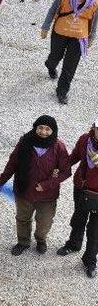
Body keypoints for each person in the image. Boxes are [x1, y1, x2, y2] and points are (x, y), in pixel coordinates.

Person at [0, 115, 71, 256]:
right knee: (22, 219)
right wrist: (2, 180)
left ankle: (41, 240)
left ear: (53, 131)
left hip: (47, 196)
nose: (43, 132)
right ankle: (23, 242)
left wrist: (48, 184)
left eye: (47, 129)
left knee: (44, 223)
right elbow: (12, 163)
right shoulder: (25, 142)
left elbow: (66, 171)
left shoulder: (59, 147)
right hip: (24, 191)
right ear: (35, 127)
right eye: (40, 128)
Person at [41, 0, 98, 105]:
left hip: (79, 37)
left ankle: (62, 91)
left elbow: (94, 21)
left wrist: (91, 38)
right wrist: (45, 27)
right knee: (55, 57)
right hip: (60, 32)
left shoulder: (95, 1)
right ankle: (50, 65)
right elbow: (52, 10)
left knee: (70, 66)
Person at [57, 118, 98, 279]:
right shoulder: (84, 139)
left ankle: (90, 260)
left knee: (95, 230)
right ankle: (73, 245)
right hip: (81, 188)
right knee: (78, 219)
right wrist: (59, 168)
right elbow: (74, 156)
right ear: (93, 128)